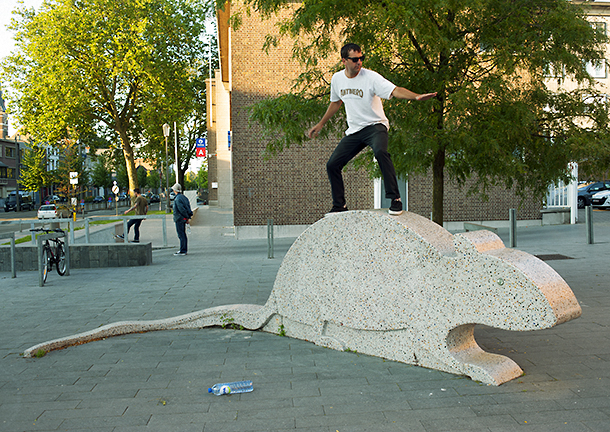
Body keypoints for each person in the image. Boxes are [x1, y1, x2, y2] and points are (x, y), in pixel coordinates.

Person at [308, 43, 437, 215]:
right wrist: (321, 123)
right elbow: (336, 102)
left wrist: (415, 96)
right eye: (354, 60)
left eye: (361, 58)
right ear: (344, 61)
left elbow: (395, 90)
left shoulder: (371, 77)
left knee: (380, 152)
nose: (359, 63)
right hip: (355, 130)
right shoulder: (337, 79)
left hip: (376, 126)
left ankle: (395, 199)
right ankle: (339, 205)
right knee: (332, 164)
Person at [171, 183, 193, 256]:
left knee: (181, 234)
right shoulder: (184, 197)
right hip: (183, 218)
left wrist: (186, 216)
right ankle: (184, 249)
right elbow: (187, 207)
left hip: (179, 218)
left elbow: (181, 209)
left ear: (175, 190)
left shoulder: (177, 199)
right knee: (183, 234)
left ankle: (183, 250)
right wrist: (188, 217)